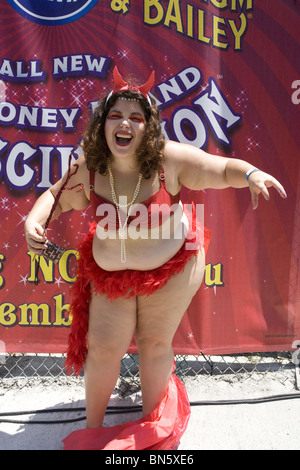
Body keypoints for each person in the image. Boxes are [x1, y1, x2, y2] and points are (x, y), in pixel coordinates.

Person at [24, 66, 287, 449]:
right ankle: (92, 430)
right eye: (115, 115)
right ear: (102, 125)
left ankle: (152, 437)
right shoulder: (89, 167)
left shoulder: (171, 160)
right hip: (111, 272)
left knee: (153, 343)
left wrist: (250, 175)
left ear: (149, 127)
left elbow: (222, 168)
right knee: (102, 348)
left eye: (136, 116)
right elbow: (54, 197)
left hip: (172, 268)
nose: (124, 123)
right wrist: (36, 219)